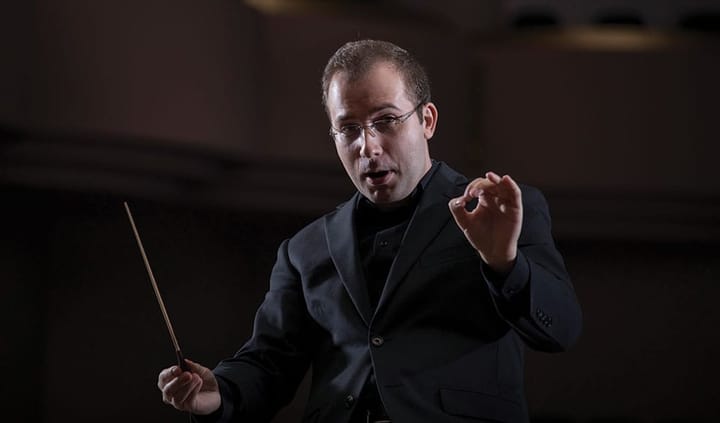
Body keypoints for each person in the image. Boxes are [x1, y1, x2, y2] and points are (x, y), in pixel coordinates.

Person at [157, 39, 582, 423]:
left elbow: (560, 329)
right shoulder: (305, 249)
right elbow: (269, 364)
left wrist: (505, 264)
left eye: (386, 121)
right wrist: (219, 393)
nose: (368, 146)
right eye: (348, 129)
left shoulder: (498, 210)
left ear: (427, 120)